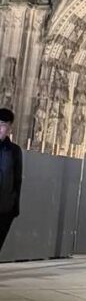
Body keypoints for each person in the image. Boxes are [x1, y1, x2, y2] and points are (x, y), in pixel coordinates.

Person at [0, 108, 22, 253]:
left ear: (9, 128)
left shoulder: (14, 151)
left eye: (2, 125)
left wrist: (14, 208)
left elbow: (17, 180)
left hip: (4, 209)